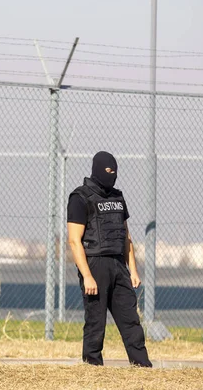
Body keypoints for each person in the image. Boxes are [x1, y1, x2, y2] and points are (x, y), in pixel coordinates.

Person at [67, 151, 152, 367]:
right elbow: (74, 241)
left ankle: (142, 365)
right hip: (95, 264)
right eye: (108, 171)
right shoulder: (80, 197)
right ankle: (92, 366)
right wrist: (87, 275)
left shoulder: (118, 197)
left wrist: (133, 269)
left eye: (114, 172)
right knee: (96, 321)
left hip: (118, 265)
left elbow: (126, 236)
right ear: (97, 170)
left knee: (130, 318)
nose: (112, 175)